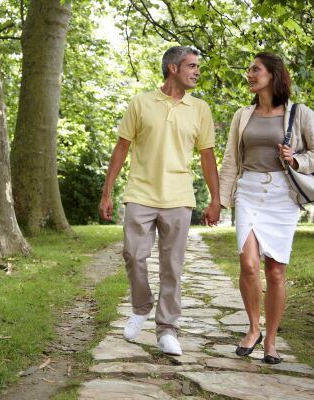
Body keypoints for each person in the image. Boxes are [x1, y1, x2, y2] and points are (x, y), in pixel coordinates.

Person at [99, 46, 220, 356]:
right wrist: (107, 191)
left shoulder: (200, 109)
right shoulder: (141, 103)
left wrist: (215, 199)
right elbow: (121, 148)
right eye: (192, 66)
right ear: (172, 68)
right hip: (140, 193)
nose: (197, 72)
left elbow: (207, 157)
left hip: (179, 197)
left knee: (172, 268)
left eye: (198, 67)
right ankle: (141, 307)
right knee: (133, 255)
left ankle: (167, 329)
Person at [218, 52, 314, 364]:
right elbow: (231, 159)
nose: (249, 74)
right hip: (249, 191)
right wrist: (219, 199)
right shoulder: (243, 115)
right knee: (249, 264)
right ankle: (254, 328)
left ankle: (271, 340)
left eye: (255, 69)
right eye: (249, 70)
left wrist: (297, 159)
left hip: (282, 196)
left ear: (273, 74)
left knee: (276, 271)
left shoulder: (300, 113)